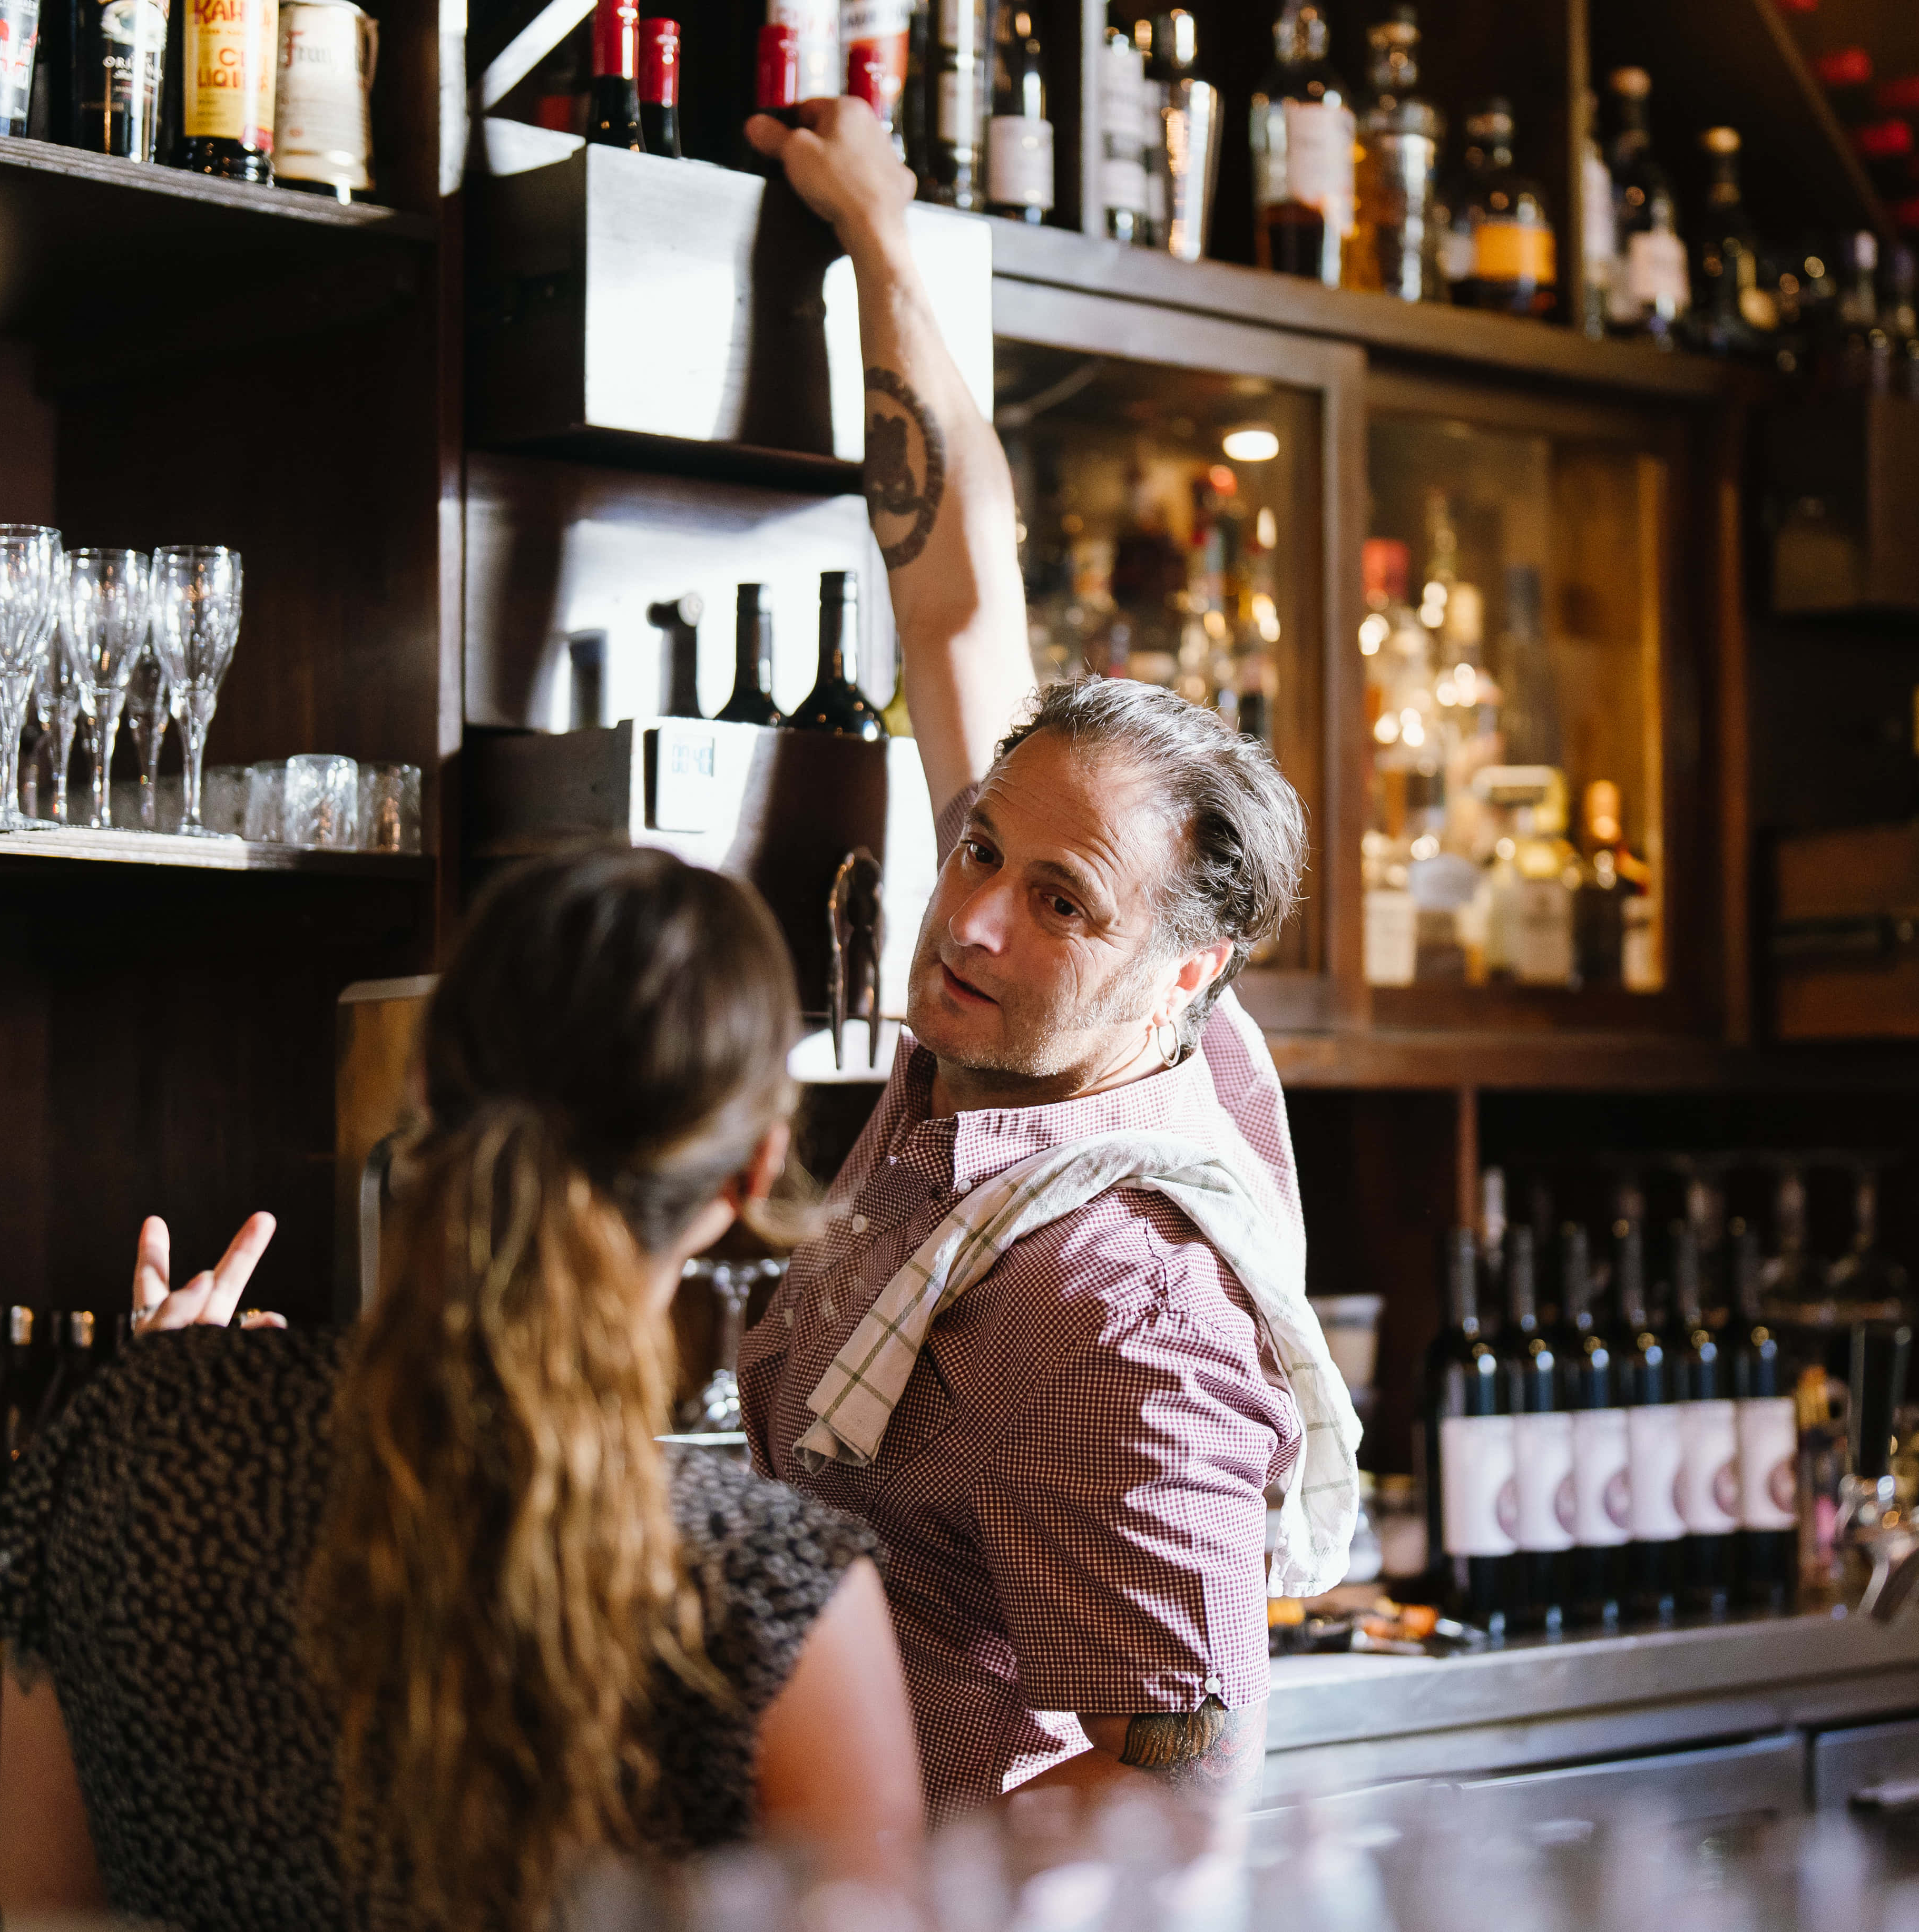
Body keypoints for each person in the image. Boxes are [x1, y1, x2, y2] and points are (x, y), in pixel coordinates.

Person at [735, 101, 1359, 1820]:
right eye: (978, 851)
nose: (976, 916)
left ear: (1186, 971)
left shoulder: (1126, 1308)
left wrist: (841, 1883)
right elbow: (954, 588)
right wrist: (883, 233)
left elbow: (1180, 1799)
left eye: (1062, 899)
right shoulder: (1024, 1047)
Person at [0, 849, 926, 1932]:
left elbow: (41, 1900)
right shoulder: (773, 1589)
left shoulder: (127, 1444)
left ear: (424, 1091)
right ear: (751, 1172)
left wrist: (165, 1400)